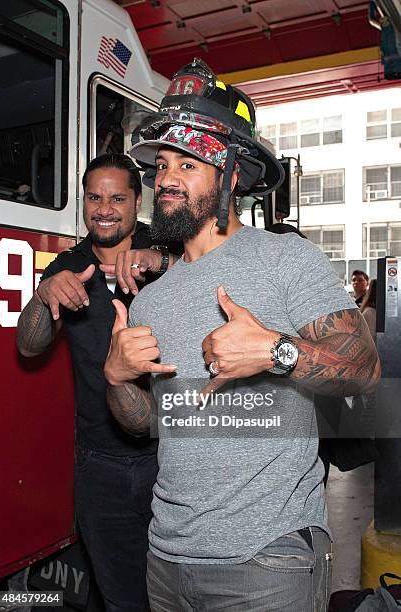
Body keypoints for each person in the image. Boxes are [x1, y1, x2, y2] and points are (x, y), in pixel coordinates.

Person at [104, 59, 380, 611]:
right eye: (161, 165)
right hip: (166, 559)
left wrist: (277, 351)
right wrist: (116, 380)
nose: (167, 179)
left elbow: (366, 371)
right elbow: (151, 424)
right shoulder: (152, 295)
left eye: (189, 162)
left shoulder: (285, 259)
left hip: (266, 561)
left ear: (231, 174)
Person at [16, 153, 179, 612]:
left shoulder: (171, 251)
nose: (104, 208)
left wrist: (162, 261)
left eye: (117, 197)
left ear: (137, 201)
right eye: (94, 197)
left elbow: (211, 275)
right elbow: (29, 347)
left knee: (182, 594)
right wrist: (44, 295)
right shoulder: (69, 265)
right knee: (122, 597)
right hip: (100, 462)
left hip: (174, 458)